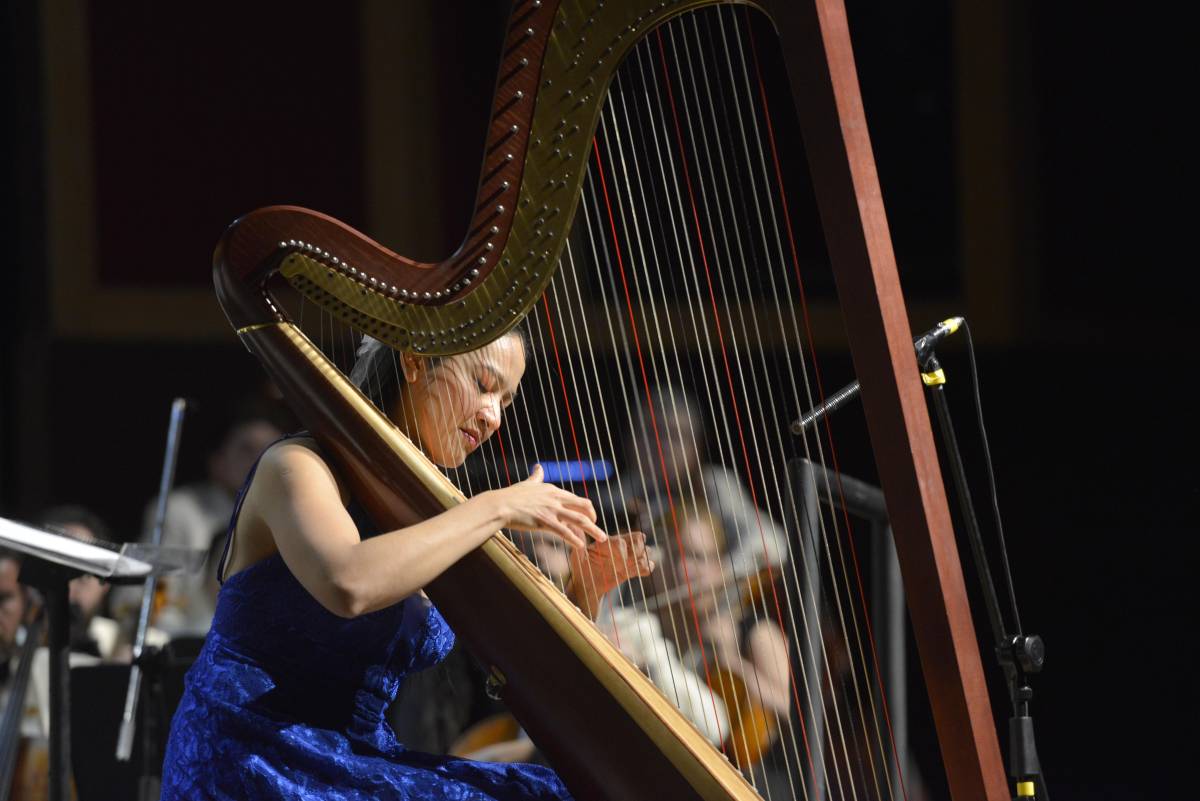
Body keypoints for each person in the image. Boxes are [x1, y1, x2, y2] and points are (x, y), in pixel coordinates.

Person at [160, 330, 651, 800]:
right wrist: (494, 507)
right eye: (483, 386)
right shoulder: (296, 465)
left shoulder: (435, 508)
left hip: (351, 761)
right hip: (246, 760)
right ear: (415, 363)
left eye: (506, 403)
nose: (493, 417)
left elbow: (526, 680)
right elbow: (348, 582)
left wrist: (585, 591)